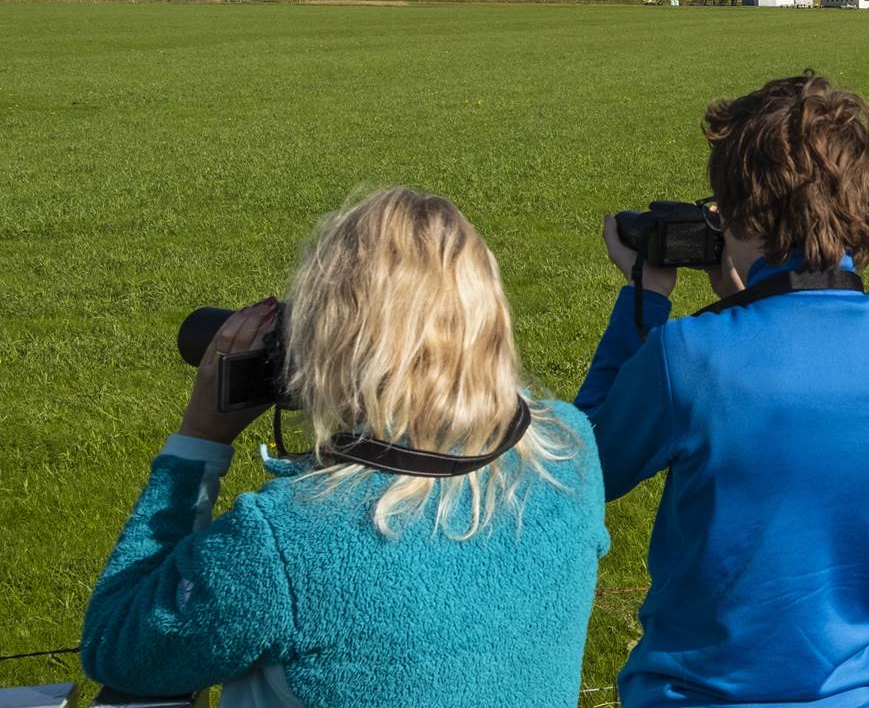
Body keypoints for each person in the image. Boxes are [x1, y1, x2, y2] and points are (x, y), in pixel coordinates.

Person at [82, 189, 609, 707]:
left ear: (332, 338)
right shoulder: (568, 445)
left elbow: (117, 645)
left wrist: (198, 440)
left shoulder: (283, 542)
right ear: (485, 315)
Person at [578, 72, 869, 708]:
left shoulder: (691, 357)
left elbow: (585, 468)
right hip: (852, 694)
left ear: (748, 209)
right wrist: (751, 297)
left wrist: (643, 298)